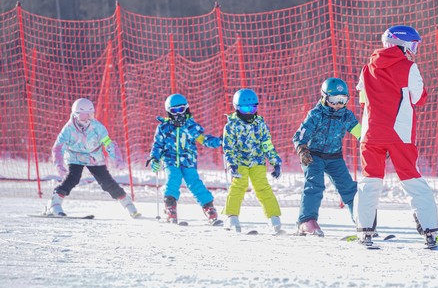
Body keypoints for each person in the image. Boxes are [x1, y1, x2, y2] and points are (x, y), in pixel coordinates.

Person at [354, 25, 438, 248]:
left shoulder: (366, 68)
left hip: (371, 134)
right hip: (399, 133)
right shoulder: (409, 67)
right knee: (411, 179)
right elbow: (420, 98)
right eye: (412, 45)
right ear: (401, 45)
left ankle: (365, 231)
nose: (413, 50)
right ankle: (429, 231)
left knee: (369, 181)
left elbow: (363, 101)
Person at [48, 98, 140, 218]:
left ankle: (129, 205)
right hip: (74, 157)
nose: (86, 118)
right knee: (73, 178)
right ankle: (55, 203)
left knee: (106, 182)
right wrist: (59, 165)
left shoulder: (97, 127)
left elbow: (108, 143)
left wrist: (117, 158)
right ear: (75, 114)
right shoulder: (68, 129)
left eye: (89, 114)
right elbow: (58, 148)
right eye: (83, 115)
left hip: (94, 157)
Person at [292, 78, 361, 236]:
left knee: (348, 188)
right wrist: (303, 150)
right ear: (324, 98)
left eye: (342, 100)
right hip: (313, 156)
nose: (338, 104)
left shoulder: (346, 116)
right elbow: (299, 136)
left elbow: (360, 134)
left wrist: (372, 145)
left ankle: (361, 218)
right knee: (315, 185)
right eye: (334, 100)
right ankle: (306, 221)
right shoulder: (316, 115)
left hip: (335, 157)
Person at [146, 94, 222, 224]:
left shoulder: (190, 126)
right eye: (174, 111)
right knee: (173, 179)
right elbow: (158, 144)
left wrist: (219, 141)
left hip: (188, 161)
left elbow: (204, 139)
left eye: (181, 110)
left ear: (186, 109)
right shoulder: (164, 128)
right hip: (170, 160)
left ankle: (208, 207)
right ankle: (170, 207)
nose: (178, 114)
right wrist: (154, 158)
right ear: (169, 112)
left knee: (194, 183)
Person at [222, 88, 283, 233]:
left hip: (257, 162)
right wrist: (231, 164)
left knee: (263, 188)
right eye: (245, 108)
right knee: (238, 186)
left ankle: (273, 218)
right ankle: (232, 217)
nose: (249, 112)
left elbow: (266, 143)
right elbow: (228, 147)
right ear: (237, 108)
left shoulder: (260, 124)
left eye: (253, 108)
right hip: (239, 162)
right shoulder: (231, 125)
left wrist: (275, 161)